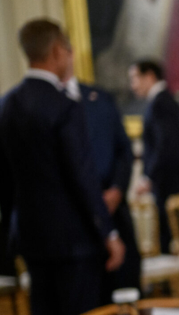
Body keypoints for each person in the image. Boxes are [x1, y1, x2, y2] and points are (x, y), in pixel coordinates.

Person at [0, 19, 123, 315]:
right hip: (74, 241)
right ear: (57, 51)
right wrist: (108, 233)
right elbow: (82, 177)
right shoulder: (64, 105)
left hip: (30, 239)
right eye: (68, 51)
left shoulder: (6, 106)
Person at [64, 76, 141, 300]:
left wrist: (117, 189)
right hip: (76, 225)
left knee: (128, 292)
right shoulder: (44, 103)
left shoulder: (100, 98)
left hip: (115, 212)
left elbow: (123, 151)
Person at [130, 59, 179, 254]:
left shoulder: (161, 103)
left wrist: (149, 177)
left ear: (149, 76)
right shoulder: (163, 101)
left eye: (135, 78)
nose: (133, 85)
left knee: (172, 240)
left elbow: (165, 145)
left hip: (168, 183)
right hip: (168, 182)